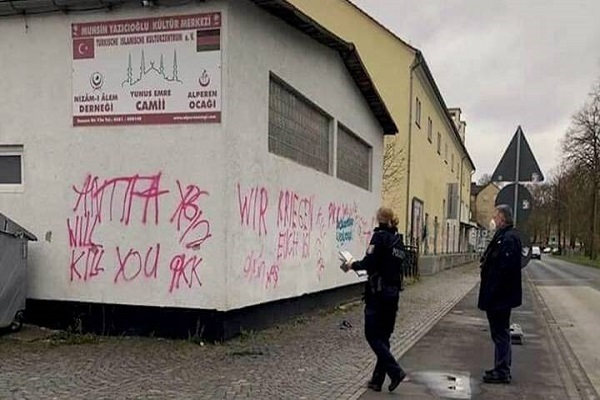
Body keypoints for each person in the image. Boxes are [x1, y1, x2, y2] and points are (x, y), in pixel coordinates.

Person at [340, 207, 407, 392]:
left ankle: (395, 372)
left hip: (378, 294)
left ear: (379, 219)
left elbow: (369, 263)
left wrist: (352, 264)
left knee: (372, 335)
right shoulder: (398, 241)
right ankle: (377, 380)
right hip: (393, 294)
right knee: (384, 337)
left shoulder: (379, 238)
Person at [478, 204, 523, 384]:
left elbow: (505, 270)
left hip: (500, 296)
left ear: (503, 218)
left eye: (496, 216)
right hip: (498, 295)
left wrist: (493, 291)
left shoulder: (509, 239)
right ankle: (500, 367)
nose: (494, 219)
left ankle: (503, 370)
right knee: (498, 333)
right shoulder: (503, 236)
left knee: (501, 332)